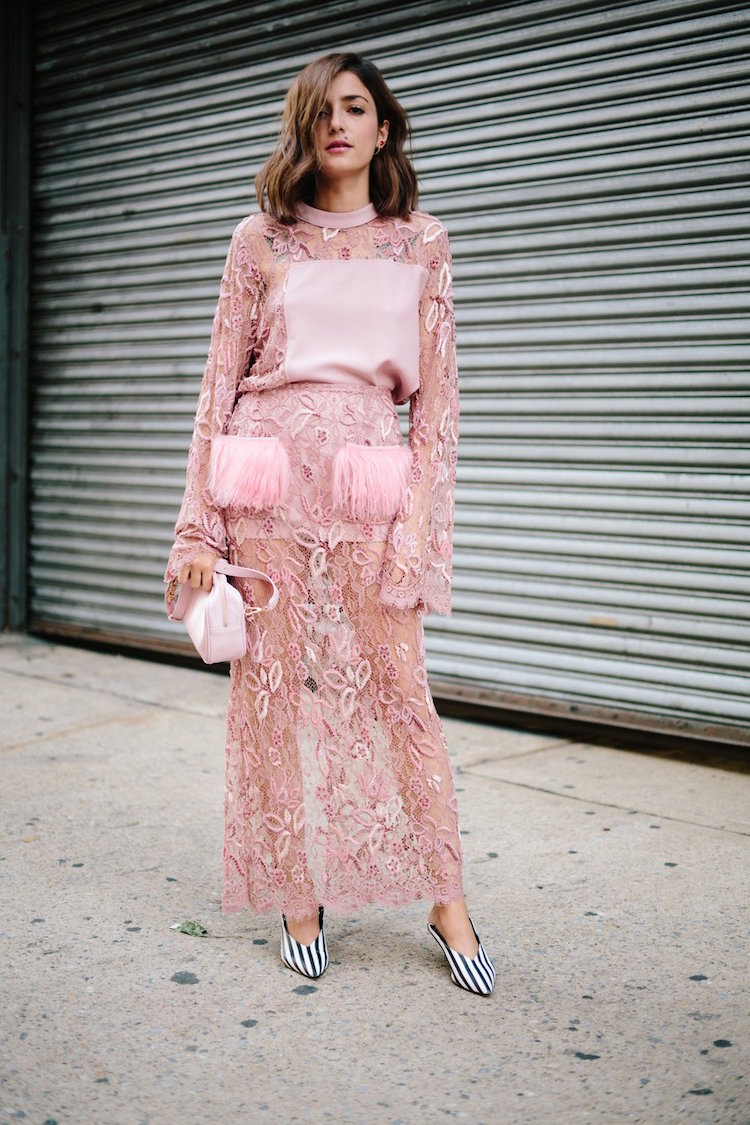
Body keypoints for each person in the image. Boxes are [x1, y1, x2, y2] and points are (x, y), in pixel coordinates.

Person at [163, 51, 495, 996]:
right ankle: (296, 894)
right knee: (269, 699)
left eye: (355, 109)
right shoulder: (259, 241)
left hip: (368, 494)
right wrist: (198, 530)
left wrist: (422, 534)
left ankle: (446, 897)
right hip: (265, 487)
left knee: (401, 695)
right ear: (301, 129)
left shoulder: (419, 243)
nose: (337, 125)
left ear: (383, 130)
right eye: (320, 111)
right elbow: (217, 383)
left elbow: (438, 406)